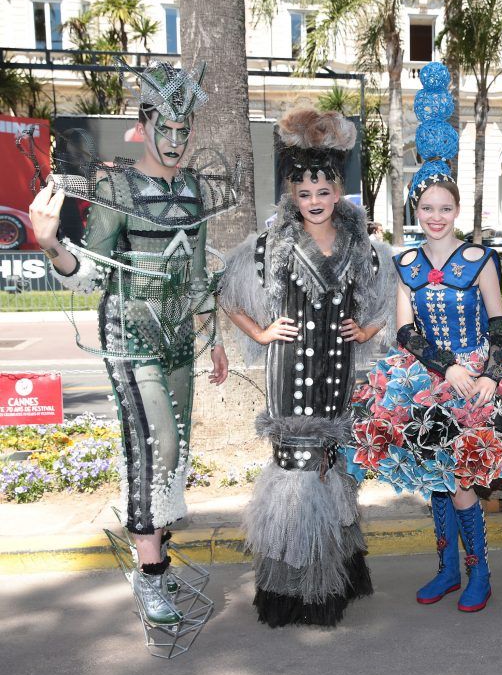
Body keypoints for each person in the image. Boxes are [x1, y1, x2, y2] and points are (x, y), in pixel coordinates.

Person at [347, 62, 502, 613]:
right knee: (435, 476)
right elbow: (404, 330)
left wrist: (490, 375)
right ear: (415, 210)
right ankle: (447, 568)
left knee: (464, 479)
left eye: (444, 208)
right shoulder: (401, 263)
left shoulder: (480, 259)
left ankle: (480, 574)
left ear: (457, 210)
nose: (435, 216)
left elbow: (499, 321)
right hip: (425, 376)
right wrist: (445, 367)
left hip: (479, 376)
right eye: (426, 208)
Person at [27, 60, 230, 626]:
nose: (174, 140)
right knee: (155, 443)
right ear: (143, 126)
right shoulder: (115, 185)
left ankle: (156, 556)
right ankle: (149, 580)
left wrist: (212, 337)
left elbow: (195, 273)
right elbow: (90, 270)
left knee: (178, 449)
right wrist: (51, 245)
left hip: (178, 341)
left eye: (183, 129)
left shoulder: (193, 188)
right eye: (164, 127)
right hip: (129, 336)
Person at [219, 109, 393, 627]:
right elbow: (228, 295)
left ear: (338, 191)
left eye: (323, 192)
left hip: (337, 370)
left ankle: (341, 571)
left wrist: (366, 331)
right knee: (295, 468)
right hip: (289, 373)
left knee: (329, 465)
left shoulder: (364, 246)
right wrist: (260, 332)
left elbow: (384, 300)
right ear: (291, 196)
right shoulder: (269, 245)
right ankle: (294, 591)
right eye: (304, 193)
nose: (315, 202)